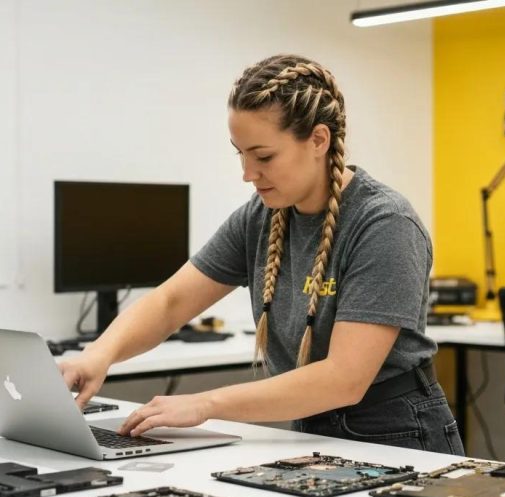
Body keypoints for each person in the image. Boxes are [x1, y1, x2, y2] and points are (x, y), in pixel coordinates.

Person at [60, 54, 464, 455]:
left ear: (319, 140)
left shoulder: (384, 224)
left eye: (264, 156)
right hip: (311, 427)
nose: (248, 173)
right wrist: (97, 355)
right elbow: (171, 301)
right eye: (241, 154)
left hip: (398, 436)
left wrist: (206, 404)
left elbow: (345, 378)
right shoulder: (261, 217)